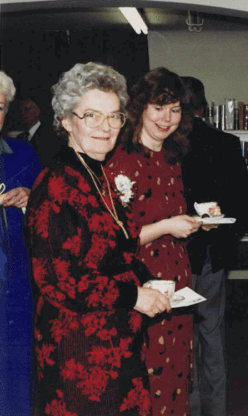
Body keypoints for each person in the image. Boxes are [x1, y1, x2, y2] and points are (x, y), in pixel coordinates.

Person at [27, 62, 172, 416]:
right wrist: (133, 294)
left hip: (115, 344)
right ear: (66, 121)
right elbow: (58, 280)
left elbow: (113, 248)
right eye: (91, 115)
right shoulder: (56, 186)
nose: (105, 128)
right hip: (79, 353)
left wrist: (144, 279)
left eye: (113, 117)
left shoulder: (96, 174)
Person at [107, 67, 200, 416]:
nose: (167, 118)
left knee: (177, 374)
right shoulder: (122, 160)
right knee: (147, 376)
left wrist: (185, 225)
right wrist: (167, 226)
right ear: (141, 108)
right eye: (159, 107)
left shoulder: (171, 158)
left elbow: (165, 218)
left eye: (175, 109)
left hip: (177, 282)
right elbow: (116, 240)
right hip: (141, 284)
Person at [181, 76, 248, 416]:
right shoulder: (225, 142)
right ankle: (215, 408)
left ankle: (187, 404)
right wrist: (225, 236)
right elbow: (243, 202)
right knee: (211, 330)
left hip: (177, 251)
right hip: (211, 250)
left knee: (180, 331)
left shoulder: (160, 144)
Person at [0, 71, 43, 416]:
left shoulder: (24, 154)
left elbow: (50, 226)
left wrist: (31, 200)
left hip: (15, 290)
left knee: (15, 381)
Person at [17, 96, 61, 167]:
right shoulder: (20, 138)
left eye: (26, 110)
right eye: (21, 111)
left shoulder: (49, 135)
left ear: (37, 112)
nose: (23, 113)